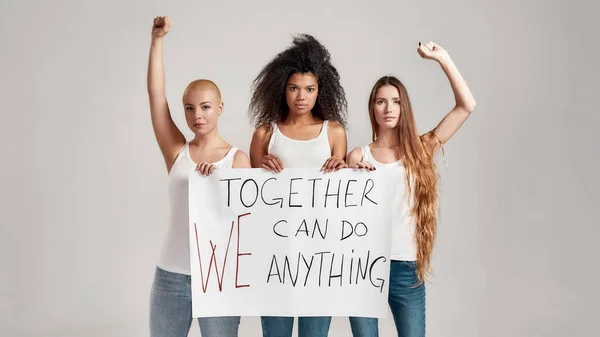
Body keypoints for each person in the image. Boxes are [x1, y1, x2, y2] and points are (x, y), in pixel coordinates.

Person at [347, 41, 476, 337]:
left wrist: (443, 58)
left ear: (404, 107)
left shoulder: (420, 149)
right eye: (381, 101)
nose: (388, 108)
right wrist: (348, 174)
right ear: (372, 108)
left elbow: (466, 106)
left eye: (395, 101)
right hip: (363, 268)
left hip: (406, 267)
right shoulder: (358, 157)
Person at [146, 16, 250, 337]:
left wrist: (217, 185)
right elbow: (156, 97)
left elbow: (243, 222)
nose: (197, 115)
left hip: (218, 279)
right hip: (171, 276)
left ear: (219, 108)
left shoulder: (238, 158)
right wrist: (157, 41)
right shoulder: (176, 150)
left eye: (205, 107)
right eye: (189, 108)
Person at [248, 34, 348, 337]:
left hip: (320, 256)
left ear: (321, 91)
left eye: (309, 89)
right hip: (276, 256)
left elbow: (343, 193)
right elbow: (249, 196)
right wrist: (260, 168)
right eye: (293, 88)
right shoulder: (265, 133)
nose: (301, 96)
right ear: (282, 88)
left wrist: (345, 170)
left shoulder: (334, 132)